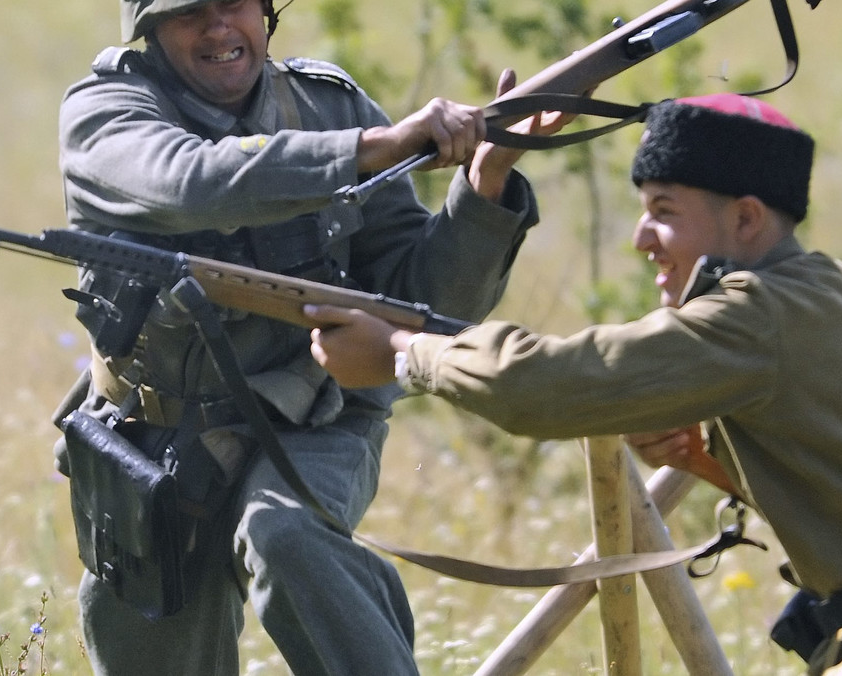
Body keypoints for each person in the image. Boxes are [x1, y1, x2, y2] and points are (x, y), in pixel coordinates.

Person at [306, 93, 842, 675]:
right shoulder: (824, 288)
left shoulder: (759, 316)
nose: (640, 239)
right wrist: (706, 464)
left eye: (663, 212)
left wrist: (407, 352)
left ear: (748, 218)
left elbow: (550, 387)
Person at [51, 0, 571, 673]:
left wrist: (484, 182)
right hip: (151, 432)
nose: (218, 29)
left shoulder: (330, 105)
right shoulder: (106, 113)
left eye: (234, 3)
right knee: (153, 644)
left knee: (286, 534)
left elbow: (423, 304)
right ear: (148, 31)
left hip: (312, 415)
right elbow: (189, 181)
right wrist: (370, 151)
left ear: (266, 13)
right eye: (190, 12)